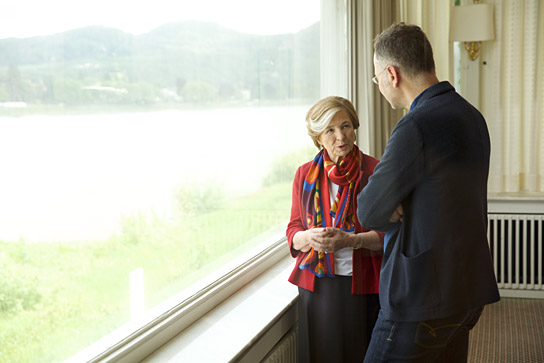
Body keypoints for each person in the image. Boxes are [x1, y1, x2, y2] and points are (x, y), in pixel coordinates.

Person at [356, 22, 500, 362]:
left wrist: (395, 202)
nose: (379, 86)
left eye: (377, 79)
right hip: (466, 290)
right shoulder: (470, 115)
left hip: (422, 297)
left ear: (392, 74)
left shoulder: (416, 125)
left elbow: (369, 211)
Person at [286, 96, 384, 363]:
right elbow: (294, 228)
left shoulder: (374, 171)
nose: (341, 136)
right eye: (330, 130)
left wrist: (351, 241)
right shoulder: (304, 174)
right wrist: (306, 237)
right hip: (317, 286)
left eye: (346, 126)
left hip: (363, 285)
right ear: (318, 138)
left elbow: (392, 237)